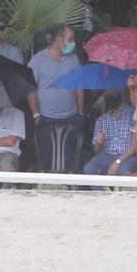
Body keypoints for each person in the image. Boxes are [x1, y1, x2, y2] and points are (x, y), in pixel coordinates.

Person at [27, 24, 85, 172]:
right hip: (45, 118)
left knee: (70, 157)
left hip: (70, 116)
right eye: (70, 39)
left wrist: (80, 112)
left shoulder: (73, 59)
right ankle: (46, 187)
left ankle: (69, 187)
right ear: (59, 40)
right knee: (46, 157)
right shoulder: (37, 60)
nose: (73, 43)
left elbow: (79, 87)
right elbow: (30, 90)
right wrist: (36, 114)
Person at [83, 90, 137, 176]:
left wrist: (117, 162)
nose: (107, 96)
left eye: (112, 92)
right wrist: (99, 143)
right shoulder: (101, 120)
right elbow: (96, 151)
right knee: (89, 169)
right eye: (106, 94)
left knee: (124, 171)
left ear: (121, 94)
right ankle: (102, 190)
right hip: (107, 156)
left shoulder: (134, 115)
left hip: (129, 157)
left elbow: (136, 145)